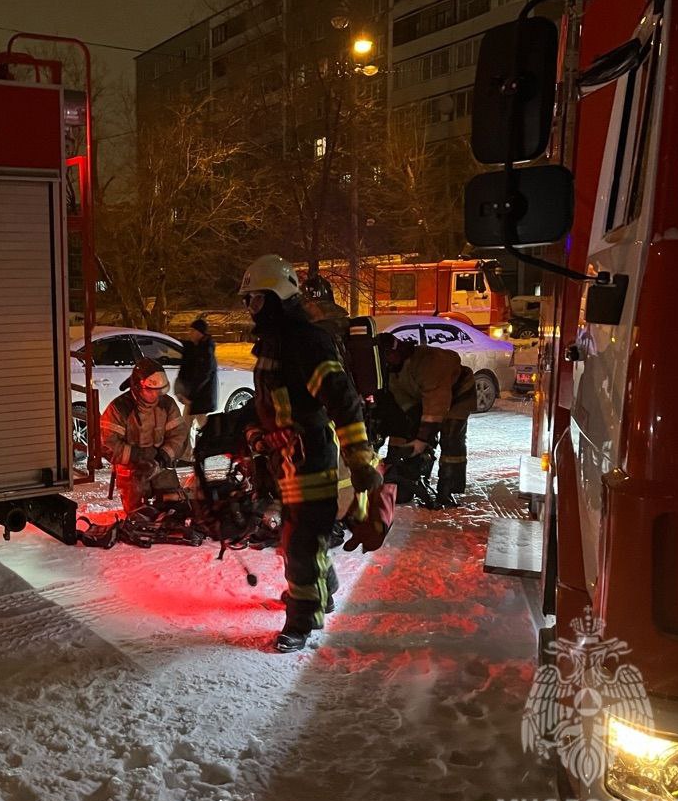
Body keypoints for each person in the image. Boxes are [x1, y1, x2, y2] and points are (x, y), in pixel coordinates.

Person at [239, 254, 384, 653]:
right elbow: (271, 403)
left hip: (315, 462)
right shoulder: (276, 343)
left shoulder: (306, 341)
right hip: (289, 463)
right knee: (299, 538)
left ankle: (301, 623)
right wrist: (252, 431)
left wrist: (359, 459)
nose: (251, 309)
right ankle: (322, 590)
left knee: (302, 543)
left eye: (255, 300)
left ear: (275, 297)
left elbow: (343, 400)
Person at [377, 331, 477, 508]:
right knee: (418, 435)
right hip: (426, 398)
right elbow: (407, 410)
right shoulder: (393, 373)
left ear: (397, 351)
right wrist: (408, 442)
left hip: (458, 393)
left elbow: (435, 406)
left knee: (452, 440)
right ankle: (419, 474)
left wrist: (422, 439)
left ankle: (447, 490)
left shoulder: (429, 362)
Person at [99, 358, 188, 513]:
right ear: (137, 387)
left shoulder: (167, 404)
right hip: (132, 472)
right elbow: (107, 444)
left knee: (175, 511)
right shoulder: (119, 408)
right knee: (141, 518)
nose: (155, 395)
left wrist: (163, 457)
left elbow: (179, 435)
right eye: (150, 390)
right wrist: (137, 456)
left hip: (161, 467)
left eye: (158, 391)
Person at [175, 317, 218, 435]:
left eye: (193, 331)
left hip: (200, 397)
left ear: (200, 333)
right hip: (194, 398)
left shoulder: (205, 350)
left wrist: (190, 395)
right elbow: (185, 370)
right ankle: (188, 450)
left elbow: (203, 375)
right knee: (187, 426)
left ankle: (208, 446)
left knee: (201, 425)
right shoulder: (194, 348)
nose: (190, 334)